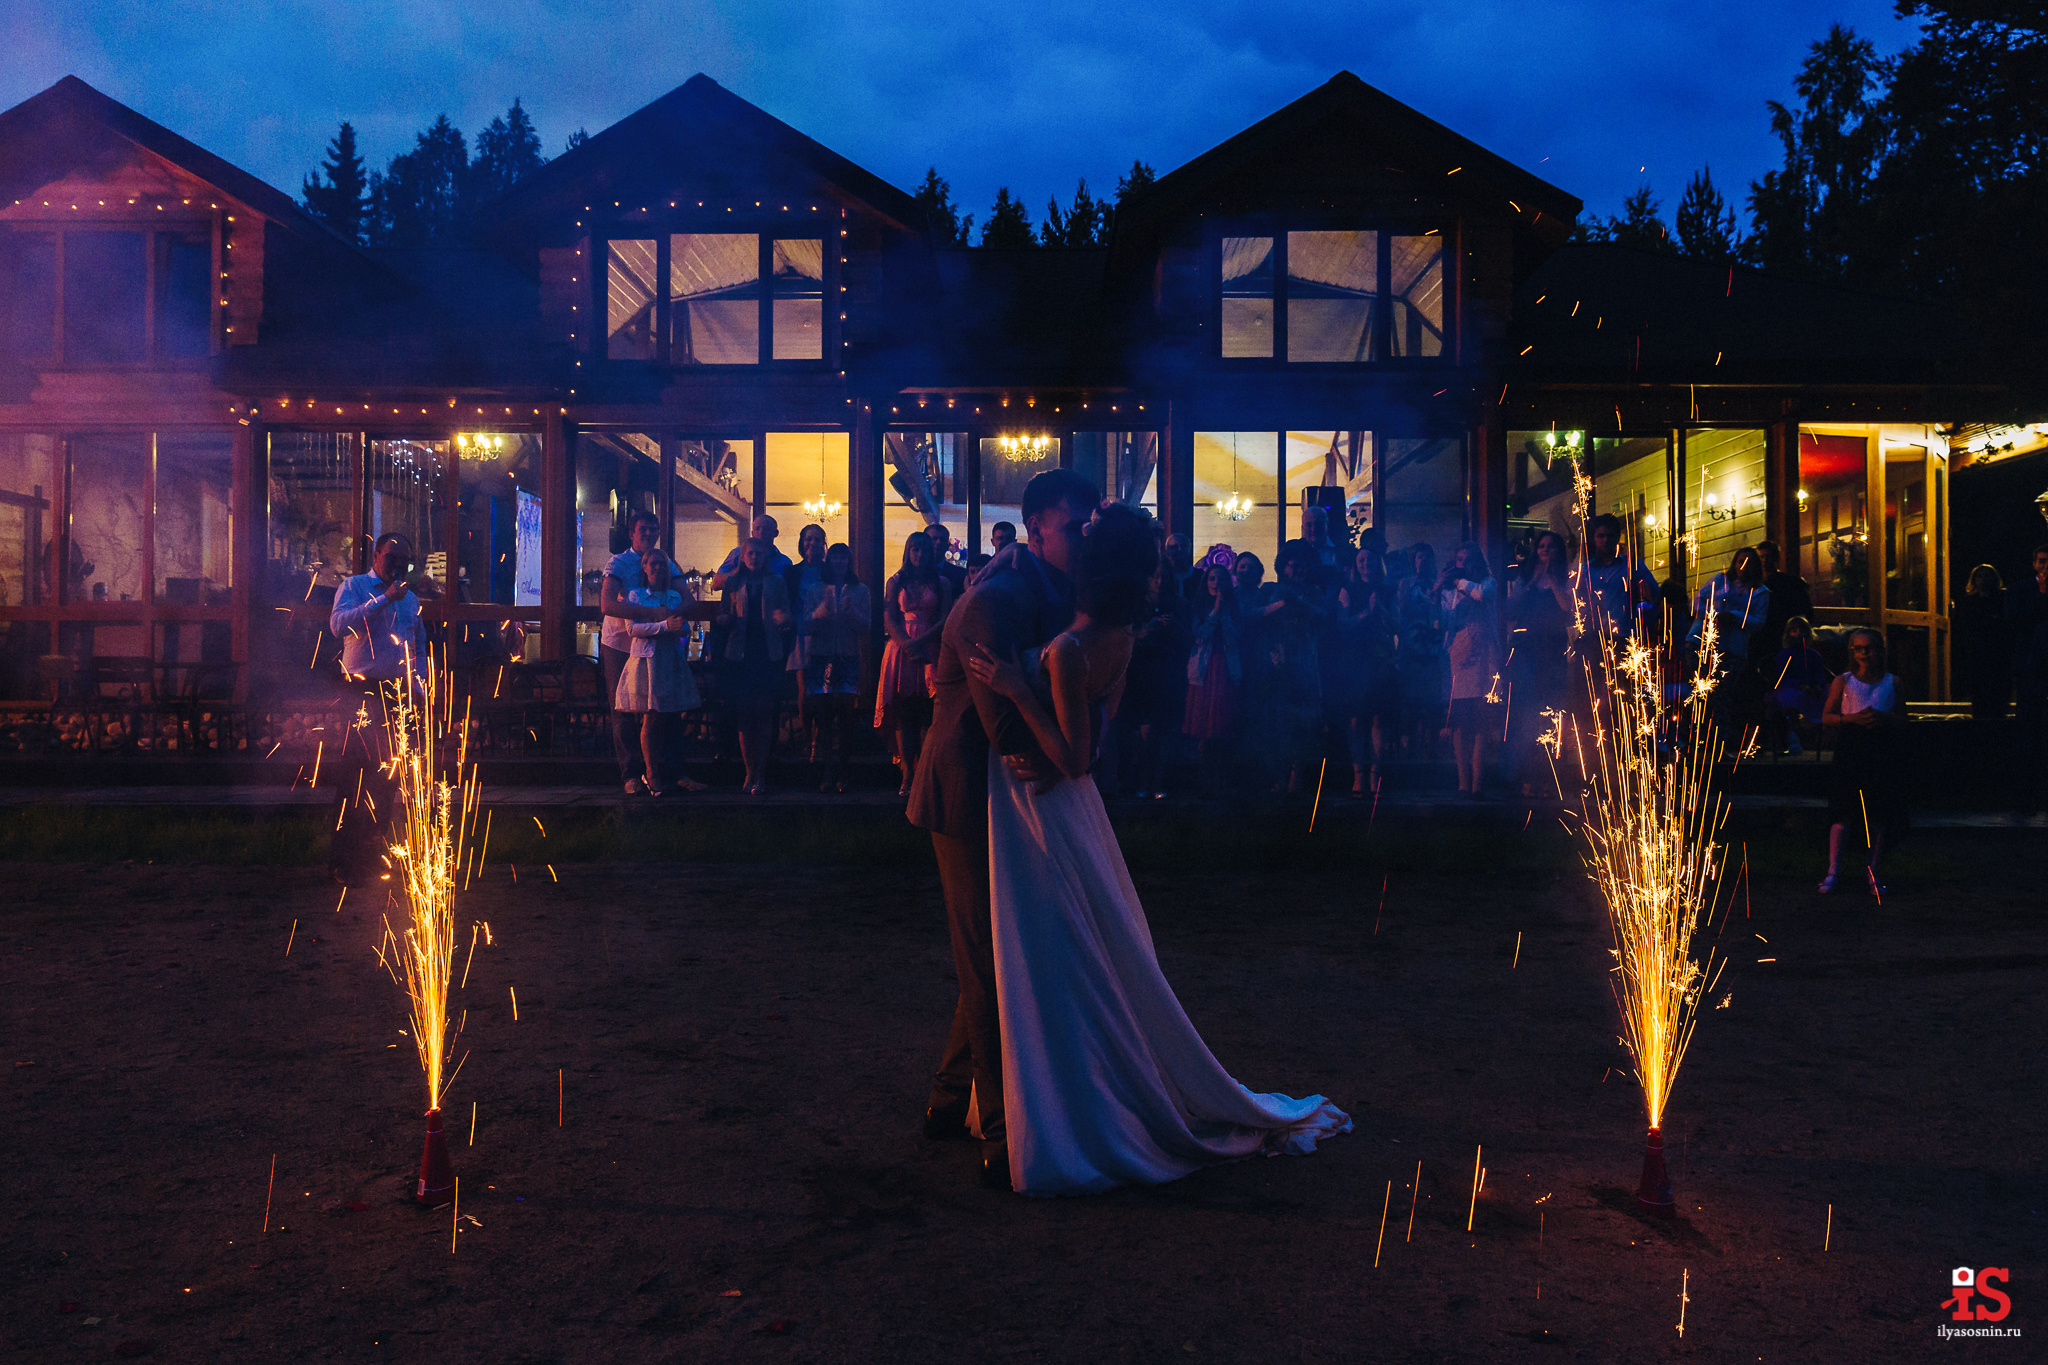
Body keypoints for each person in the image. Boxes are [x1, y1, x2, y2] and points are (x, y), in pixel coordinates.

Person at [960, 503, 1350, 1194]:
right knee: (1090, 943)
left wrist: (1019, 690)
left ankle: (1070, 1102)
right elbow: (1100, 727)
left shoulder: (1070, 648)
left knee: (1063, 953)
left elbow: (1075, 755)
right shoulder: (1121, 639)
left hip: (1049, 812)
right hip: (1079, 812)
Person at [907, 467, 1098, 1190]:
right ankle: (997, 1129)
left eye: (1087, 529)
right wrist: (1058, 744)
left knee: (993, 952)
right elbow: (1010, 733)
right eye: (1074, 529)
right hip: (964, 795)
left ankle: (948, 1099)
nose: (1082, 542)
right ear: (1039, 526)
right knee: (984, 958)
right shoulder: (996, 601)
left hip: (1008, 800)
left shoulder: (1048, 593)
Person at [326, 532, 428, 882]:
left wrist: (421, 683)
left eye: (405, 562)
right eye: (392, 559)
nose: (398, 567)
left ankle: (374, 854)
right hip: (361, 691)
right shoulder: (354, 587)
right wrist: (383, 599)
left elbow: (417, 643)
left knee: (390, 774)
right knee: (356, 774)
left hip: (397, 692)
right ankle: (345, 859)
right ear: (376, 555)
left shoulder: (410, 598)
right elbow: (339, 626)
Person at [1819, 628, 1907, 895]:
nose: (1864, 653)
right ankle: (1833, 870)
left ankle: (1872, 871)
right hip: (1851, 746)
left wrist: (1885, 719)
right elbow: (1827, 716)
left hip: (1881, 747)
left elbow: (1904, 719)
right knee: (1843, 811)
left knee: (1878, 812)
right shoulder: (1844, 681)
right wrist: (1851, 719)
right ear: (1852, 652)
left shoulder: (1892, 682)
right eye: (1858, 648)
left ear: (1880, 650)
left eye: (1869, 648)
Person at [599, 512, 682, 794]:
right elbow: (608, 605)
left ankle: (665, 771)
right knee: (622, 708)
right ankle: (631, 774)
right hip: (620, 642)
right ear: (632, 533)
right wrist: (653, 614)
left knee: (661, 706)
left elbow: (686, 597)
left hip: (654, 646)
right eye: (643, 530)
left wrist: (674, 616)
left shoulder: (666, 561)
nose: (648, 534)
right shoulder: (619, 562)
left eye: (653, 530)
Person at [614, 549, 703, 797]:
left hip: (670, 660)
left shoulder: (674, 596)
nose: (657, 568)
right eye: (652, 564)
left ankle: (674, 772)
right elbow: (632, 629)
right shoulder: (636, 595)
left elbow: (683, 626)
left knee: (672, 715)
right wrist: (665, 626)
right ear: (644, 568)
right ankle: (651, 773)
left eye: (661, 564)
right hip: (647, 661)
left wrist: (679, 628)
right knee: (651, 716)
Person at [876, 531, 953, 796]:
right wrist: (905, 644)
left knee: (928, 713)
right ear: (908, 552)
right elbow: (888, 617)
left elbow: (945, 618)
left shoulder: (941, 582)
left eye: (923, 550)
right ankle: (907, 774)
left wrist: (921, 642)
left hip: (930, 646)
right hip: (901, 649)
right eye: (914, 550)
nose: (919, 555)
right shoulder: (896, 581)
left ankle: (925, 773)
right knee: (904, 713)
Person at [1115, 531, 1191, 799]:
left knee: (1162, 732)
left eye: (1163, 577)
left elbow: (1189, 640)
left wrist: (1175, 628)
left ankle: (1155, 784)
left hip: (1167, 673)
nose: (1159, 582)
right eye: (1155, 576)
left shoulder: (1179, 604)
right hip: (1141, 673)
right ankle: (1140, 783)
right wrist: (1146, 630)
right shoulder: (1136, 604)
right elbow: (1124, 637)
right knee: (1141, 731)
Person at [716, 538, 791, 795]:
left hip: (768, 652)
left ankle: (761, 772)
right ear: (743, 556)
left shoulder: (777, 581)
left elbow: (787, 615)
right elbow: (724, 612)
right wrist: (724, 618)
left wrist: (783, 619)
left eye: (759, 553)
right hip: (741, 652)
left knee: (765, 712)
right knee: (745, 713)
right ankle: (749, 771)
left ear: (765, 556)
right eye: (750, 553)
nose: (754, 557)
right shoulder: (734, 582)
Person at [1256, 539, 1331, 792]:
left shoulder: (1314, 592)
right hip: (1275, 660)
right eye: (1293, 566)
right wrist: (1282, 603)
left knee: (1303, 722)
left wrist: (1299, 603)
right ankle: (1278, 776)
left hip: (1305, 663)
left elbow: (1324, 617)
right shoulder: (1269, 590)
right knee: (1276, 722)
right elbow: (1255, 615)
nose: (1297, 570)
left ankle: (1296, 777)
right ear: (1282, 567)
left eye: (1302, 566)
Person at [795, 542, 870, 792]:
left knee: (847, 715)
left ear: (848, 562)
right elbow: (807, 624)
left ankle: (844, 771)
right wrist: (821, 612)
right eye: (835, 558)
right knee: (824, 715)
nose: (839, 562)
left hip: (847, 656)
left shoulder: (861, 591)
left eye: (843, 558)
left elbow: (866, 627)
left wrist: (851, 613)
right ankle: (827, 772)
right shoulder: (816, 590)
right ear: (829, 561)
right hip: (822, 656)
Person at [1505, 530, 1573, 796]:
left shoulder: (1565, 579)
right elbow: (1511, 609)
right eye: (1541, 546)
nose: (1545, 550)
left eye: (1550, 546)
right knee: (1526, 714)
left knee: (1551, 714)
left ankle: (1549, 777)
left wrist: (1551, 580)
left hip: (1552, 653)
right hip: (1526, 653)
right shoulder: (1524, 579)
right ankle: (1525, 776)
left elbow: (1567, 607)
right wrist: (1533, 580)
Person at [1333, 546, 1400, 796]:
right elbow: (1341, 624)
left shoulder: (1388, 589)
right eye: (1361, 559)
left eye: (1370, 559)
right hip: (1355, 658)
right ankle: (1358, 774)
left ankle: (1375, 773)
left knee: (1377, 718)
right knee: (1355, 719)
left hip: (1380, 658)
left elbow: (1397, 625)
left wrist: (1380, 610)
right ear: (1355, 564)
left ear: (1378, 562)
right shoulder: (1348, 589)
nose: (1365, 563)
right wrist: (1366, 614)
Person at [1440, 541, 1499, 798]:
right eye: (1459, 559)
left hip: (1484, 656)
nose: (1463, 563)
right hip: (1459, 656)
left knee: (1480, 720)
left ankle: (1478, 782)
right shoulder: (1451, 591)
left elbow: (1481, 595)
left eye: (1467, 558)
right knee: (1460, 723)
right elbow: (1446, 619)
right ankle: (1463, 780)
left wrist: (1456, 582)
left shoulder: (1489, 582)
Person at [1182, 564, 1243, 797]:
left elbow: (1235, 636)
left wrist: (1224, 611)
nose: (1216, 584)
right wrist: (1215, 610)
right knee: (1203, 728)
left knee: (1224, 727)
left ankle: (1222, 782)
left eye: (1220, 579)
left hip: (1226, 668)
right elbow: (1199, 636)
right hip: (1204, 669)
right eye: (1212, 579)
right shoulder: (1197, 606)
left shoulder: (1234, 607)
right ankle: (1203, 782)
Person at [1395, 543, 1446, 759]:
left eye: (1427, 557)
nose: (1423, 560)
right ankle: (1412, 746)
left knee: (1433, 699)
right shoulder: (1406, 583)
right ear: (1413, 561)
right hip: (1412, 645)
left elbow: (1444, 612)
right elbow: (1403, 609)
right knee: (1412, 699)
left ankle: (1432, 745)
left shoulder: (1440, 583)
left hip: (1434, 647)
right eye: (1419, 557)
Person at [2009, 545, 2048, 813]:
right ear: (2034, 563)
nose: (2046, 568)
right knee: (2029, 732)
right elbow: (2016, 623)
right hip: (2031, 668)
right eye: (2043, 562)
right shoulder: (2019, 589)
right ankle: (2025, 797)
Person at [1576, 514, 1656, 642]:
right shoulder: (1585, 571)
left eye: (1610, 536)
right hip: (1594, 639)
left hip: (1625, 637)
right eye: (1601, 536)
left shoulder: (1632, 565)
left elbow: (1654, 596)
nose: (1606, 540)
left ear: (1617, 537)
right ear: (1594, 539)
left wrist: (1642, 623)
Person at [1953, 564, 2011, 724]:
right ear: (1974, 580)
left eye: (1987, 576)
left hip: (1999, 655)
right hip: (1977, 655)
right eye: (1980, 576)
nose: (1984, 580)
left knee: (1999, 698)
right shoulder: (1969, 602)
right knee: (1979, 697)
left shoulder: (2003, 599)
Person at [1766, 616, 1829, 755]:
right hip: (1791, 689)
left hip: (1812, 689)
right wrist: (1799, 685)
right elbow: (1783, 677)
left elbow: (1819, 673)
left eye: (1802, 630)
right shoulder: (1784, 655)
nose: (1798, 634)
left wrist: (1817, 685)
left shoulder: (1814, 655)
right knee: (1790, 700)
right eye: (1794, 630)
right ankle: (1792, 736)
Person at [1756, 539, 1813, 653]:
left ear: (1775, 558)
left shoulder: (1791, 582)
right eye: (1762, 557)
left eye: (1768, 556)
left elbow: (1805, 608)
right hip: (1760, 636)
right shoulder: (1753, 585)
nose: (1765, 560)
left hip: (1784, 633)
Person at [708, 515, 790, 591]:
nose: (761, 532)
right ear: (752, 533)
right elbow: (716, 584)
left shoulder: (785, 562)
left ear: (775, 533)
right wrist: (740, 574)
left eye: (766, 529)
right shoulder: (738, 554)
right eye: (757, 528)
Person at [928, 523, 969, 596]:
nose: (938, 542)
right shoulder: (913, 573)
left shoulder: (961, 575)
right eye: (934, 539)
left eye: (943, 539)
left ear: (948, 544)